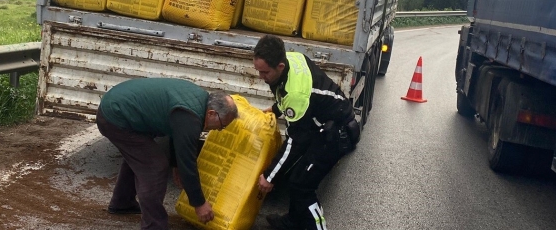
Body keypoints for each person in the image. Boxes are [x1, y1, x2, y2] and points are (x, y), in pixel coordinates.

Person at [96, 77, 238, 230]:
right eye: (222, 125)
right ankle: (153, 225)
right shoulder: (190, 118)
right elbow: (188, 163)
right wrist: (199, 203)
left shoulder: (197, 100)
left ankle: (122, 202)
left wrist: (175, 164)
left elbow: (176, 133)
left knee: (141, 156)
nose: (218, 130)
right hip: (115, 117)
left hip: (118, 108)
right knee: (155, 166)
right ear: (211, 113)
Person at [253, 35, 360, 230]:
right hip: (324, 122)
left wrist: (270, 176)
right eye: (258, 71)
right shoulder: (292, 58)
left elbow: (296, 140)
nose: (261, 77)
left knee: (302, 185)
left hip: (337, 133)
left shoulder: (296, 93)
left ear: (280, 66)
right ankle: (293, 222)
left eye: (265, 72)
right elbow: (289, 95)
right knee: (296, 174)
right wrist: (276, 109)